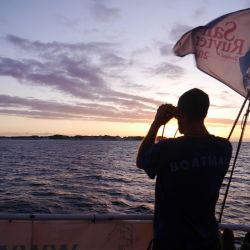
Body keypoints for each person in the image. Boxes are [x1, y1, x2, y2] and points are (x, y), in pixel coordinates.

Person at [136, 88, 232, 250]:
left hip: (171, 243)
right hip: (208, 242)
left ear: (182, 114)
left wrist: (157, 122)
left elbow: (141, 160)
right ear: (204, 113)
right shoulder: (224, 148)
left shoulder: (167, 149)